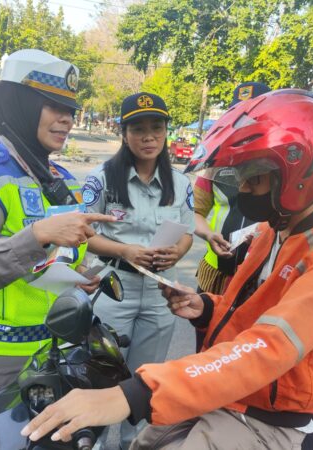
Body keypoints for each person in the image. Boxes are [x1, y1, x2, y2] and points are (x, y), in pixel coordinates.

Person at [21, 89, 313, 450]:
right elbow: (251, 313)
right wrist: (207, 307)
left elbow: (266, 348)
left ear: (298, 172)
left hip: (263, 417)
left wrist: (135, 394)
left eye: (254, 177)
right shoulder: (274, 231)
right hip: (223, 390)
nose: (243, 189)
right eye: (241, 177)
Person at [0, 49, 115, 413]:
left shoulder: (61, 181)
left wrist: (75, 275)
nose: (67, 120)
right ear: (21, 104)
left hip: (43, 361)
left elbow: (42, 266)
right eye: (53, 106)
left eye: (71, 111)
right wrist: (38, 235)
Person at [82, 92, 195, 449]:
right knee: (102, 376)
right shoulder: (101, 179)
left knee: (146, 381)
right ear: (123, 133)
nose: (149, 137)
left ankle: (132, 443)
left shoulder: (181, 185)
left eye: (156, 128)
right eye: (139, 129)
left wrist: (175, 253)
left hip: (161, 294)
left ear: (165, 132)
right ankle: (94, 442)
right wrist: (125, 250)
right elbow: (82, 233)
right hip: (114, 288)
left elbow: (188, 233)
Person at [194, 82, 271, 296]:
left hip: (261, 280)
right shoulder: (214, 162)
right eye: (238, 114)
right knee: (206, 326)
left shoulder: (282, 163)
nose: (245, 122)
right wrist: (209, 234)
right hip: (216, 274)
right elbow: (194, 212)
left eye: (253, 115)